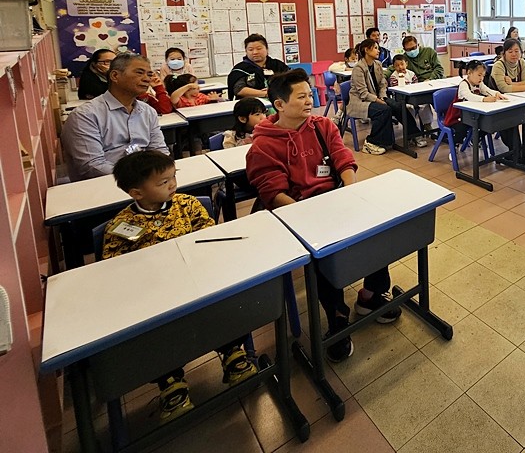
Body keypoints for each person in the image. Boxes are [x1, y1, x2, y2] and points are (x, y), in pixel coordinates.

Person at [246, 69, 401, 363]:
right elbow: (273, 192)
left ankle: (370, 295)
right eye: (301, 97)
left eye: (310, 94)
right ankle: (337, 317)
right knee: (324, 254)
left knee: (377, 230)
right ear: (279, 104)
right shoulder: (264, 145)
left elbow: (343, 159)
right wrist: (309, 216)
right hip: (295, 211)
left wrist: (350, 193)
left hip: (333, 202)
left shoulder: (322, 125)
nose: (310, 101)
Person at [103, 150, 257, 421]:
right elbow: (114, 268)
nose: (172, 185)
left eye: (173, 177)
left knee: (223, 303)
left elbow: (209, 232)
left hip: (197, 279)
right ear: (136, 193)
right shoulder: (122, 225)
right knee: (156, 330)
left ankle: (232, 351)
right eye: (163, 182)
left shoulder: (187, 204)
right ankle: (171, 381)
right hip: (155, 293)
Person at [61, 52, 169, 181]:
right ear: (115, 76)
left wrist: (160, 173)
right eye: (139, 73)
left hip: (147, 181)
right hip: (106, 185)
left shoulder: (148, 112)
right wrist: (138, 179)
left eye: (149, 74)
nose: (147, 79)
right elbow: (92, 166)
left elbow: (159, 150)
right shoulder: (85, 116)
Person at [349, 39, 428, 154]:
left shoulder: (377, 64)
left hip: (377, 97)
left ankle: (414, 135)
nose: (378, 51)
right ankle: (371, 143)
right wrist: (378, 100)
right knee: (384, 110)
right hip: (361, 102)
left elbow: (383, 84)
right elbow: (363, 93)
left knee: (399, 106)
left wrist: (382, 97)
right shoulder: (358, 68)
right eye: (375, 48)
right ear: (366, 50)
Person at [444, 60, 507, 147]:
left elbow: (487, 90)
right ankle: (454, 145)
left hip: (472, 114)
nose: (481, 78)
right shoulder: (464, 84)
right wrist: (484, 99)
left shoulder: (479, 83)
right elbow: (470, 96)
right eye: (479, 75)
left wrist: (497, 94)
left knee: (488, 123)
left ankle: (475, 139)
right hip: (458, 116)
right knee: (462, 129)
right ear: (469, 73)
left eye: (483, 76)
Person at [227, 34, 290, 100]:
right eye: (250, 50)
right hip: (251, 102)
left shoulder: (278, 65)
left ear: (267, 49)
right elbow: (239, 89)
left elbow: (292, 82)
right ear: (246, 51)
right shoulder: (240, 69)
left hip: (279, 100)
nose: (255, 52)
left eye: (259, 49)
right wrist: (266, 93)